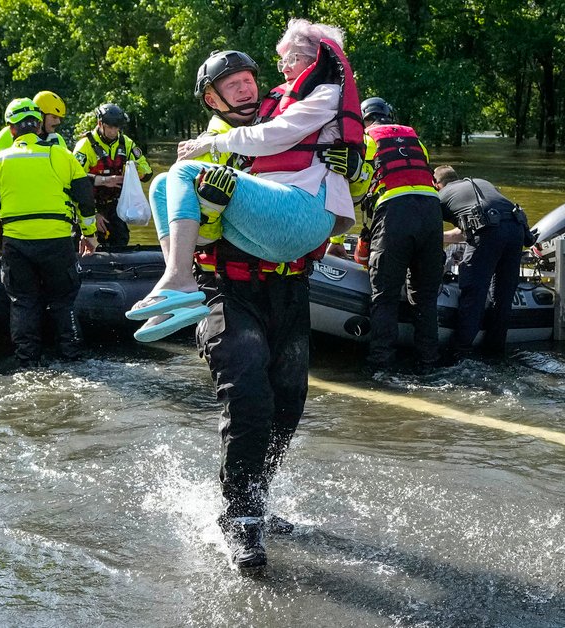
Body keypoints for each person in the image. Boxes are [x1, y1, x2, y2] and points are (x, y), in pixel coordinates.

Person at [133, 21, 361, 572]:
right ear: (210, 98)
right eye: (228, 84)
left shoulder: (285, 119)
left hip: (289, 286)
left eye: (247, 79)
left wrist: (350, 161)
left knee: (289, 405)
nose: (243, 88)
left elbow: (328, 133)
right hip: (226, 289)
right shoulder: (209, 146)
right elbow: (196, 213)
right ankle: (239, 519)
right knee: (250, 399)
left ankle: (255, 499)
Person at [0, 98, 98, 367]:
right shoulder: (61, 156)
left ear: (11, 128)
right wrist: (89, 233)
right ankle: (72, 357)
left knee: (23, 302)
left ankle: (27, 362)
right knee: (63, 302)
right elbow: (85, 199)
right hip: (57, 241)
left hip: (17, 244)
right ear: (40, 124)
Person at [355, 96, 442, 371]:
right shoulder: (415, 140)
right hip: (431, 213)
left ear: (364, 119)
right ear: (389, 116)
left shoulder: (365, 140)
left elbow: (352, 190)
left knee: (385, 294)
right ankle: (428, 363)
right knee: (425, 298)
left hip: (395, 214)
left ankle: (382, 367)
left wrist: (335, 240)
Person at [434, 165, 532, 360]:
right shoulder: (480, 183)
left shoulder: (442, 195)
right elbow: (475, 225)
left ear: (436, 184)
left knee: (474, 292)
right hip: (516, 230)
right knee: (503, 295)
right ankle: (495, 352)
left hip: (489, 233)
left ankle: (460, 352)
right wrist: (442, 237)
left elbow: (427, 225)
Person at [72, 104, 153, 247]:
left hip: (115, 206)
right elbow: (74, 181)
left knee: (121, 239)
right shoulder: (84, 146)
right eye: (110, 127)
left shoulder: (126, 143)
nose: (114, 131)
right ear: (100, 124)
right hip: (89, 206)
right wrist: (102, 182)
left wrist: (134, 170)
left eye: (117, 127)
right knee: (79, 242)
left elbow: (147, 172)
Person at [0, 91, 69, 158]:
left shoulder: (58, 139)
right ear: (40, 115)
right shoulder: (8, 134)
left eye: (60, 118)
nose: (58, 122)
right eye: (54, 117)